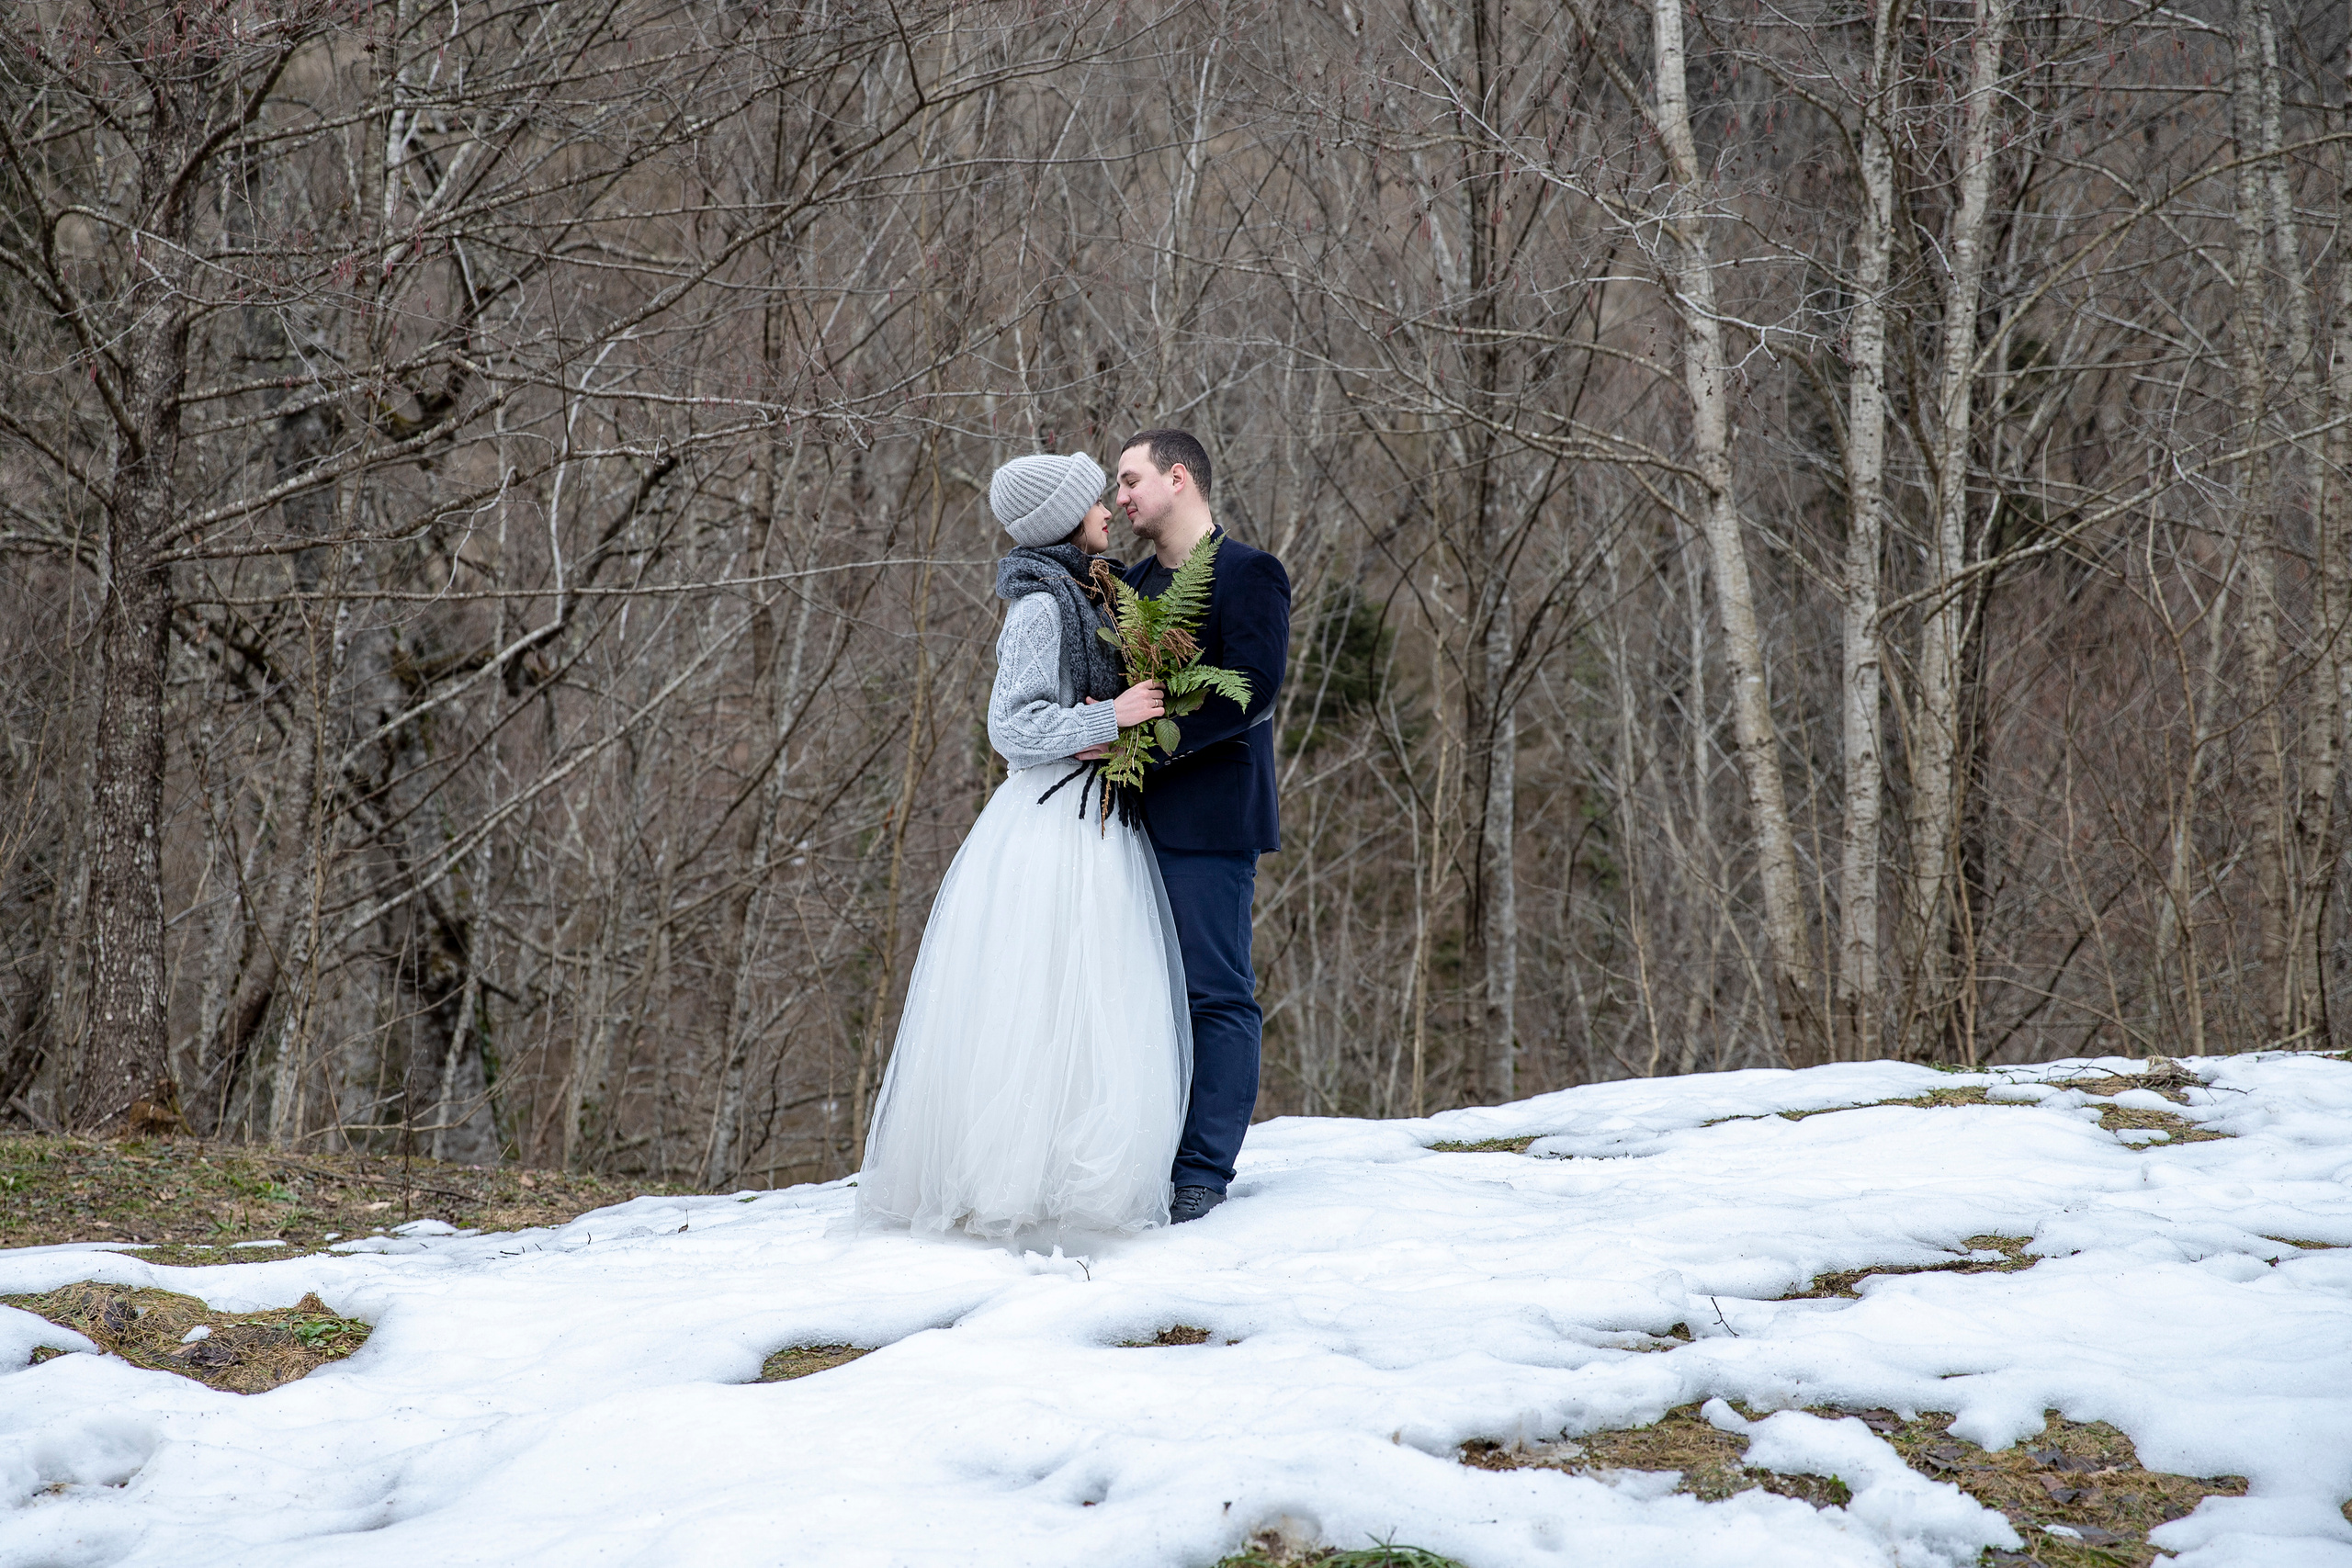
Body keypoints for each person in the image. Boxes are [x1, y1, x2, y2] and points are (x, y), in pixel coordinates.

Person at [854, 453, 1192, 1241]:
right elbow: (1012, 725)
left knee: (1093, 998)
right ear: (1062, 521)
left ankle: (1072, 1180)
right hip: (1050, 827)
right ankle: (1016, 1183)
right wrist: (1115, 715)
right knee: (1039, 999)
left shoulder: (1087, 591)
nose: (1109, 508)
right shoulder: (1042, 608)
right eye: (1092, 501)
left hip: (1093, 822)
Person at [1102, 429, 1290, 1224]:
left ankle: (1201, 1171)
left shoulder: (1251, 573)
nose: (1120, 498)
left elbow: (1252, 689)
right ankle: (1140, 1155)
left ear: (1179, 478)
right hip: (1124, 826)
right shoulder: (1129, 586)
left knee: (1215, 995)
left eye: (1131, 479)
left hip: (1210, 823)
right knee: (1138, 998)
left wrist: (1154, 740)